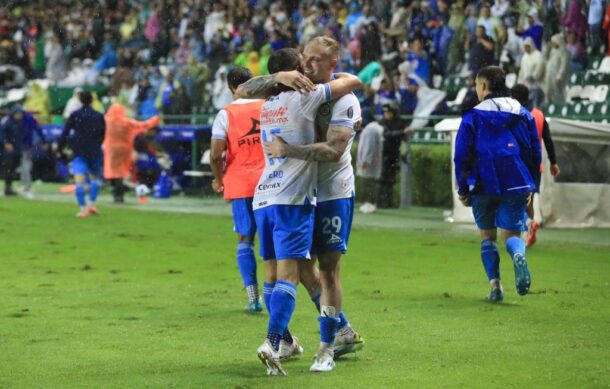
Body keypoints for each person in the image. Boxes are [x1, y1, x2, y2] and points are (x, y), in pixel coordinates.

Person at [238, 48, 361, 376]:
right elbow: (354, 80)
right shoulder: (302, 97)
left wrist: (279, 80)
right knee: (295, 272)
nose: (306, 67)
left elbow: (335, 150)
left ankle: (328, 338)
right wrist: (283, 78)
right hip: (295, 197)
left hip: (288, 196)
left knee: (305, 270)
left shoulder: (271, 104)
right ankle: (280, 340)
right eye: (302, 62)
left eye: (313, 60)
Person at [454, 66, 541, 303]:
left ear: (483, 86)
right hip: (516, 178)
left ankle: (495, 287)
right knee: (512, 233)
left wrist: (462, 187)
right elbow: (534, 149)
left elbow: (461, 154)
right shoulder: (523, 113)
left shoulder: (473, 116)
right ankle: (518, 256)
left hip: (483, 180)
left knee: (487, 236)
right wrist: (531, 184)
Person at [210, 66, 266, 313]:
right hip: (272, 181)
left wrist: (218, 179)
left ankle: (254, 299)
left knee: (245, 239)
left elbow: (215, 154)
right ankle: (280, 293)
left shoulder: (226, 114)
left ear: (231, 88)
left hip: (241, 182)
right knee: (273, 239)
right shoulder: (268, 106)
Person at [511, 84, 561, 247]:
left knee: (515, 199)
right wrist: (553, 162)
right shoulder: (539, 115)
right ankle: (529, 228)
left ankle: (526, 225)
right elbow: (548, 139)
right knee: (530, 199)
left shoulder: (515, 115)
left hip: (518, 165)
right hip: (535, 166)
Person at [56, 91, 106, 217]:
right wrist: (97, 144)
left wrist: (60, 148)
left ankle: (83, 209)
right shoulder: (99, 116)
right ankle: (91, 204)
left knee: (79, 182)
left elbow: (65, 133)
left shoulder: (75, 115)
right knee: (95, 180)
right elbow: (103, 134)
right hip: (94, 151)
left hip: (79, 151)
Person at [103, 103, 160, 203]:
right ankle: (119, 193)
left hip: (111, 149)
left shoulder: (106, 121)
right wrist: (155, 119)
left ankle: (116, 191)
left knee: (112, 171)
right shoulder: (126, 122)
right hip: (124, 149)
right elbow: (143, 125)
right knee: (120, 172)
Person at [0, 106, 46, 197]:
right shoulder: (8, 122)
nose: (19, 115)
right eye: (18, 114)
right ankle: (12, 186)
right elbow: (2, 134)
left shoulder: (23, 121)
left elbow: (35, 129)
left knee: (15, 166)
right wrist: (6, 143)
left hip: (19, 148)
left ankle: (13, 186)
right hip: (9, 149)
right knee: (10, 167)